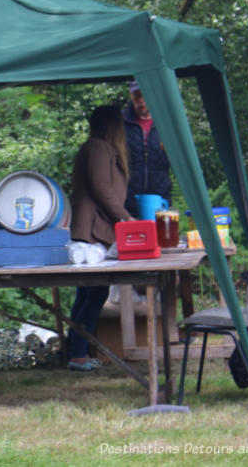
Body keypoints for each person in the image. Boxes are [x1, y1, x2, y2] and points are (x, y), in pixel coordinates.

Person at [68, 105, 134, 371]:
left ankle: (76, 351)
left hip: (95, 229)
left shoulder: (103, 147)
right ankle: (77, 353)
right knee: (94, 292)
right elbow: (101, 187)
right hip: (91, 229)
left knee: (88, 292)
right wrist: (126, 218)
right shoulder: (97, 147)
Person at [123, 80, 172, 217]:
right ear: (130, 95)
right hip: (127, 201)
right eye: (136, 95)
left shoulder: (166, 122)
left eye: (144, 94)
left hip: (160, 199)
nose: (140, 99)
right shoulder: (120, 122)